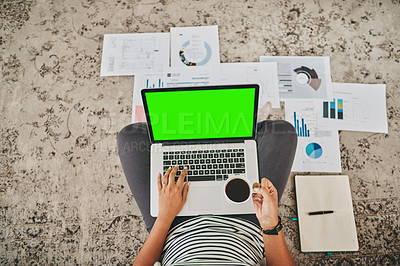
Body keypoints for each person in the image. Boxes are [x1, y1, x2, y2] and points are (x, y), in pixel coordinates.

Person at [117, 120, 297, 266]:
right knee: (281, 132)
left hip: (174, 226)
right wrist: (270, 223)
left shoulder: (168, 220)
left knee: (130, 136)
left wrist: (164, 217)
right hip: (248, 223)